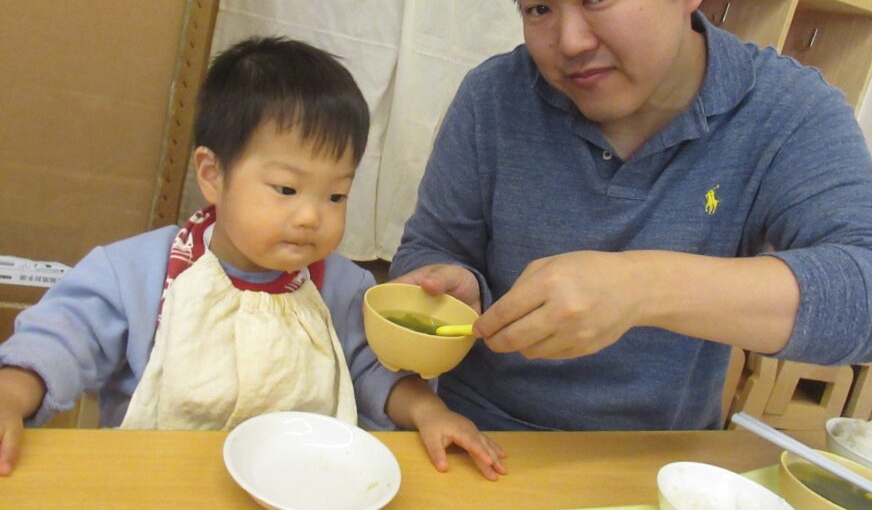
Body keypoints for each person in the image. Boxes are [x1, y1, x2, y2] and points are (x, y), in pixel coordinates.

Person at [390, 0, 872, 432]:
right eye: (538, 9)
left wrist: (642, 286)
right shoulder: (494, 98)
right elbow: (432, 248)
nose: (569, 42)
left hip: (655, 454)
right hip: (475, 433)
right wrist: (450, 284)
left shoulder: (783, 110)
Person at [0, 36, 506, 479]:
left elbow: (376, 373)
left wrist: (429, 412)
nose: (311, 216)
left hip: (302, 485)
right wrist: (10, 395)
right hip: (156, 484)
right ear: (212, 175)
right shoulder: (135, 273)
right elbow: (62, 341)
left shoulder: (343, 288)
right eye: (286, 188)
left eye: (336, 195)